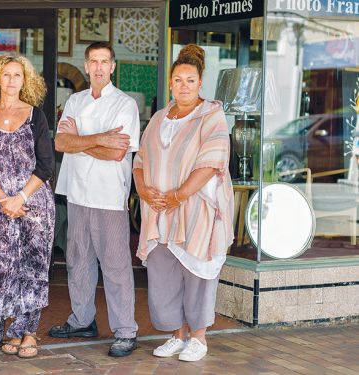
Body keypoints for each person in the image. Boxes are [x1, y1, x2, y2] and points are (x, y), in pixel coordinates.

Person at [133, 44, 234, 362]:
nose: (184, 86)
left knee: (198, 273)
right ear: (171, 83)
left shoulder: (212, 115)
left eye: (190, 80)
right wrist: (144, 191)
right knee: (165, 272)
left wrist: (179, 195)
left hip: (195, 210)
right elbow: (139, 160)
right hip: (159, 212)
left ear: (200, 82)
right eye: (179, 80)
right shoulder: (160, 117)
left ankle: (199, 338)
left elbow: (211, 162)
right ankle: (177, 334)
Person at [49, 41, 140, 357]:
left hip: (108, 196)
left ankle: (126, 331)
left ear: (113, 66)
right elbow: (60, 142)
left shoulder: (124, 105)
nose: (99, 67)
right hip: (76, 193)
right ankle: (81, 320)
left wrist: (80, 142)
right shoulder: (74, 100)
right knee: (77, 261)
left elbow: (118, 153)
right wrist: (100, 138)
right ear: (86, 66)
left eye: (105, 61)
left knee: (115, 266)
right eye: (93, 61)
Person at [0, 53, 55, 359]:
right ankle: (8, 327)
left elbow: (46, 165)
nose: (12, 80)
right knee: (3, 266)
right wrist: (3, 200)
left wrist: (20, 198)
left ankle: (28, 332)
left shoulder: (36, 115)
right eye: (6, 74)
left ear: (26, 80)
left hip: (34, 203)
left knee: (34, 267)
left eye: (18, 75)